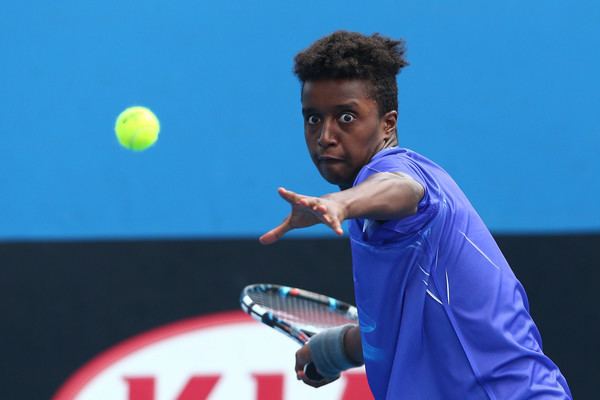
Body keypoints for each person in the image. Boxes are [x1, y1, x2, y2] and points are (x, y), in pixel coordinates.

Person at [259, 31, 572, 399]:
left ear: (388, 123)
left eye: (346, 116)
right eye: (313, 119)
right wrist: (338, 349)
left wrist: (340, 203)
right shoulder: (373, 214)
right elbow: (404, 324)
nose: (326, 135)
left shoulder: (396, 172)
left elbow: (402, 188)